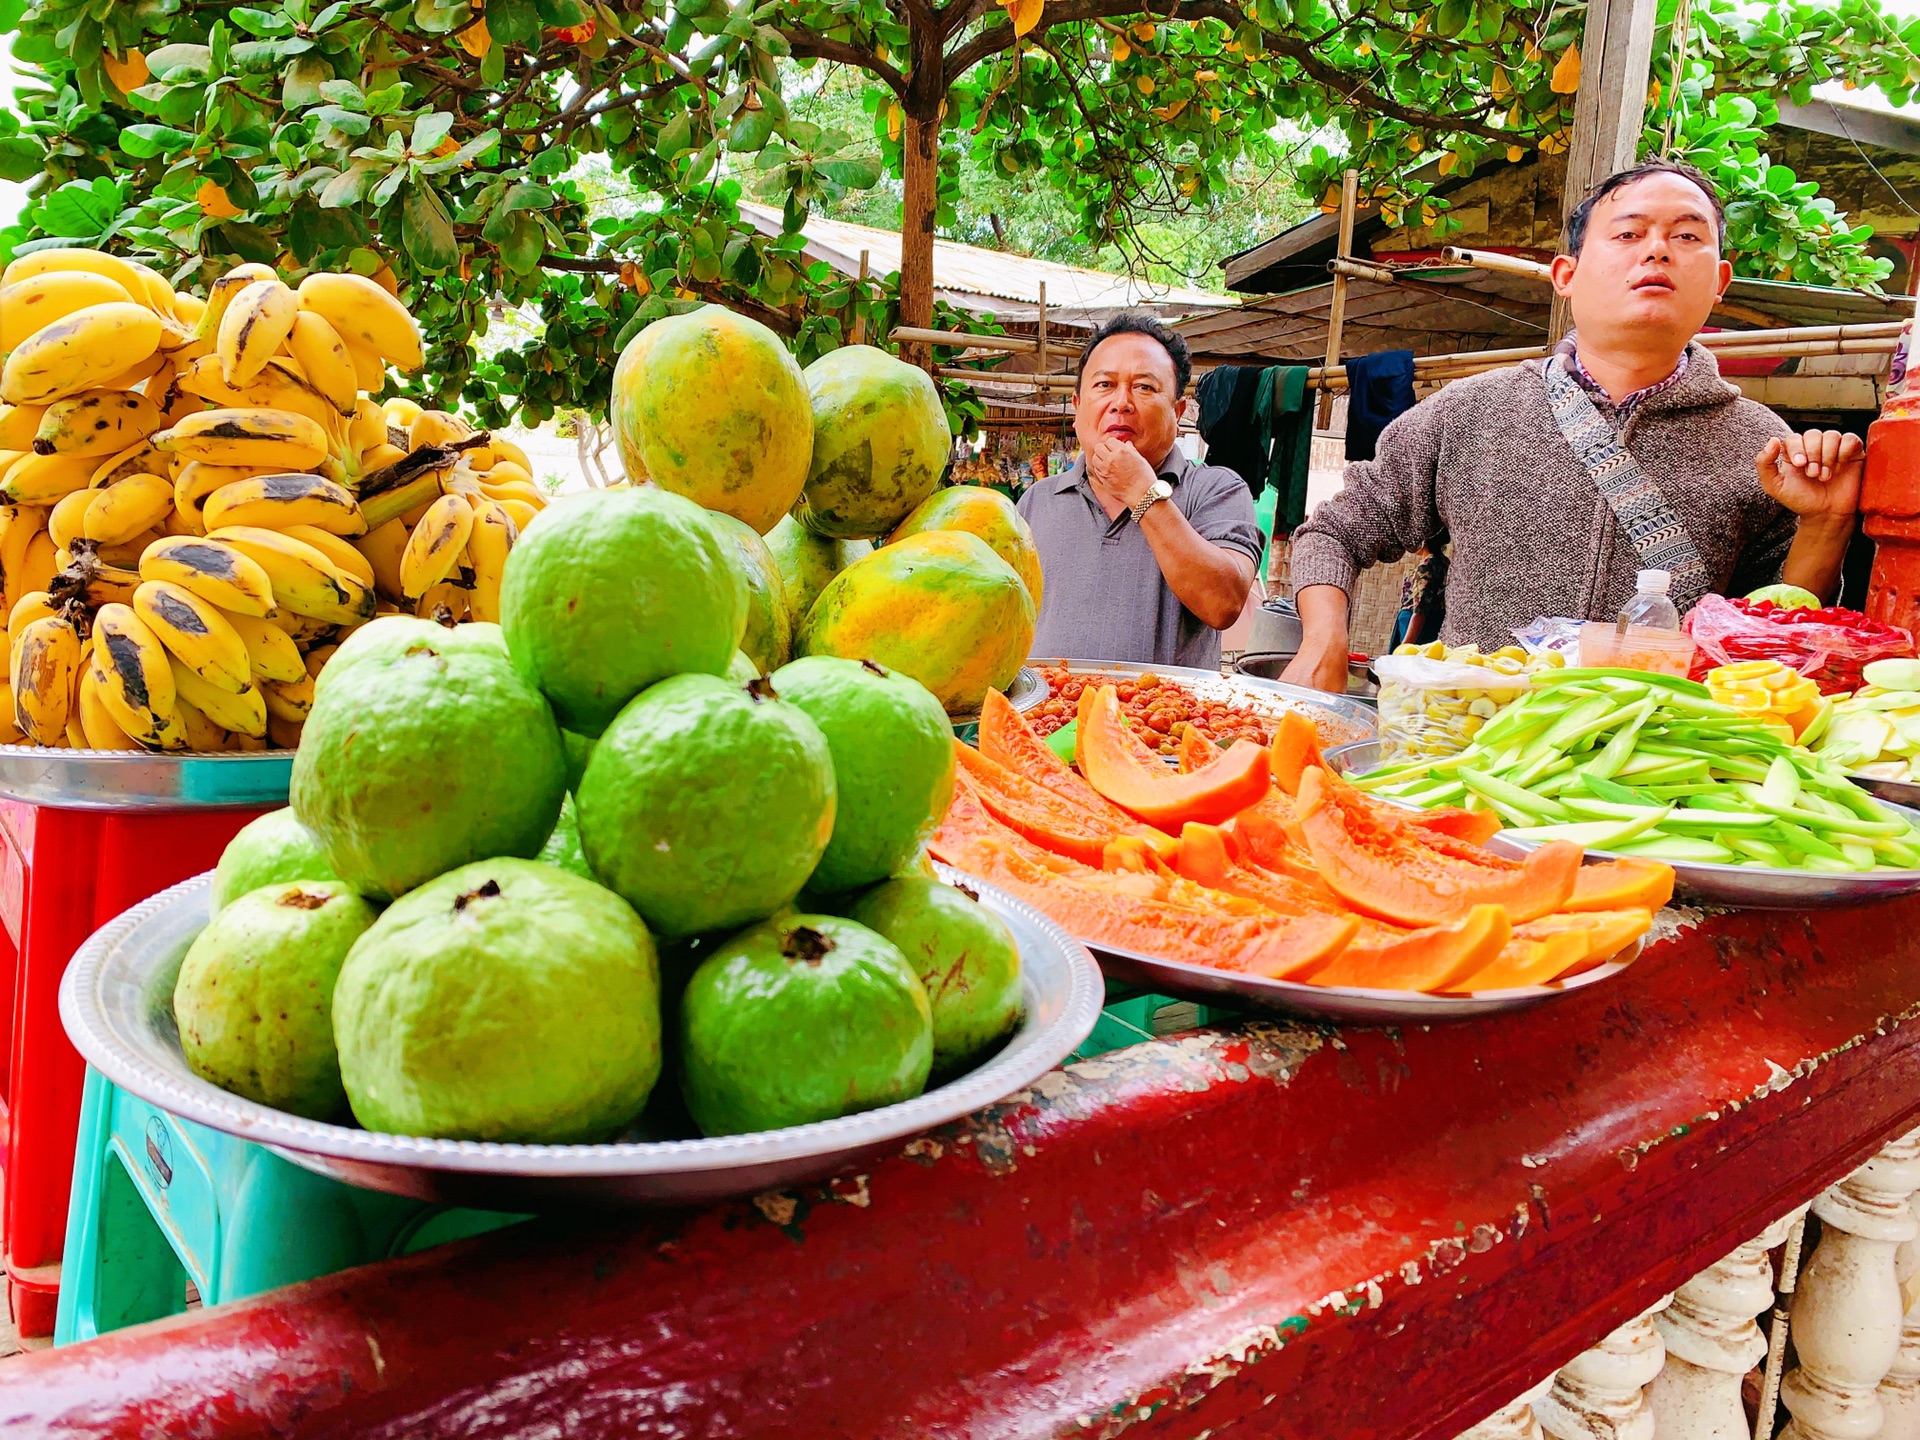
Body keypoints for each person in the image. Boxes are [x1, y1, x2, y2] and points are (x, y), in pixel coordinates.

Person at [1281, 160, 1866, 692]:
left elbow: (1779, 631)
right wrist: (1322, 641)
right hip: (1469, 746)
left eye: (1687, 236)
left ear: (1719, 280)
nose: (1657, 251)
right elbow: (1333, 534)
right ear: (1566, 274)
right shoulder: (1469, 410)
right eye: (1628, 234)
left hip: (1658, 765)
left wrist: (1827, 523)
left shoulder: (1761, 443)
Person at [1018, 313, 1263, 669]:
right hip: (1044, 719)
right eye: (1104, 385)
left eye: (1144, 387)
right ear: (1077, 408)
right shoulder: (1036, 501)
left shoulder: (1216, 490)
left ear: (1177, 412)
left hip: (1161, 721)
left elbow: (1223, 604)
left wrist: (1142, 490)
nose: (1122, 403)